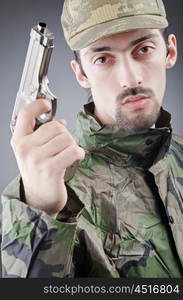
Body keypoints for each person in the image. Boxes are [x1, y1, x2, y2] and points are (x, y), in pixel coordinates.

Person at [1, 0, 183, 278]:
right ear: (81, 73)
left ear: (169, 52)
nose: (130, 78)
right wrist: (41, 214)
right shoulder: (48, 192)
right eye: (103, 58)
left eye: (143, 49)